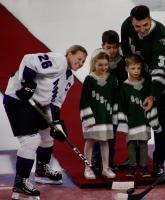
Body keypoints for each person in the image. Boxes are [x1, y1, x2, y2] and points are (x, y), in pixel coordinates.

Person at [3, 45, 88, 200]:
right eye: (78, 58)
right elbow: (29, 60)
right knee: (31, 140)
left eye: (83, 61)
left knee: (48, 135)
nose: (80, 62)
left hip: (37, 104)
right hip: (18, 99)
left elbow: (56, 102)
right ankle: (21, 182)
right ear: (69, 54)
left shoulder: (69, 79)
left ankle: (42, 170)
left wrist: (56, 123)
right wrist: (27, 82)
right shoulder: (59, 61)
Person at [121, 5, 165, 176]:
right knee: (135, 113)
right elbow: (126, 53)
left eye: (145, 25)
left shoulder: (162, 36)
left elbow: (160, 71)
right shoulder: (126, 26)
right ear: (132, 22)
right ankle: (135, 158)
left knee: (158, 115)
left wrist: (153, 95)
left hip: (161, 77)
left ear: (150, 19)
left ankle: (158, 161)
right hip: (139, 75)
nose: (142, 29)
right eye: (138, 26)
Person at [117, 54, 161, 177]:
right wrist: (123, 122)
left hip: (143, 120)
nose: (136, 71)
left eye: (138, 68)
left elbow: (151, 103)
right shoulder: (124, 86)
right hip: (130, 120)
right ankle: (132, 166)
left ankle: (143, 167)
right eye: (133, 68)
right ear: (127, 68)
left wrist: (153, 119)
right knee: (131, 144)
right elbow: (122, 105)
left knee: (143, 144)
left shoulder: (146, 84)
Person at [91, 30, 127, 171]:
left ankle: (109, 162)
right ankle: (95, 160)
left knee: (111, 135)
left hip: (116, 104)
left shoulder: (123, 61)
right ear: (103, 46)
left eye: (115, 47)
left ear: (119, 45)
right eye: (108, 47)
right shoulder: (98, 60)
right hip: (100, 103)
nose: (112, 51)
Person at [80, 51, 117, 180]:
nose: (103, 68)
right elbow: (84, 99)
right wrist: (87, 117)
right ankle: (88, 168)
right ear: (94, 64)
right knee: (90, 141)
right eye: (100, 65)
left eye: (106, 65)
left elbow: (115, 98)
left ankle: (105, 168)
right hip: (93, 117)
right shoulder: (89, 79)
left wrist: (115, 114)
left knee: (104, 141)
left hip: (106, 117)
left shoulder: (112, 79)